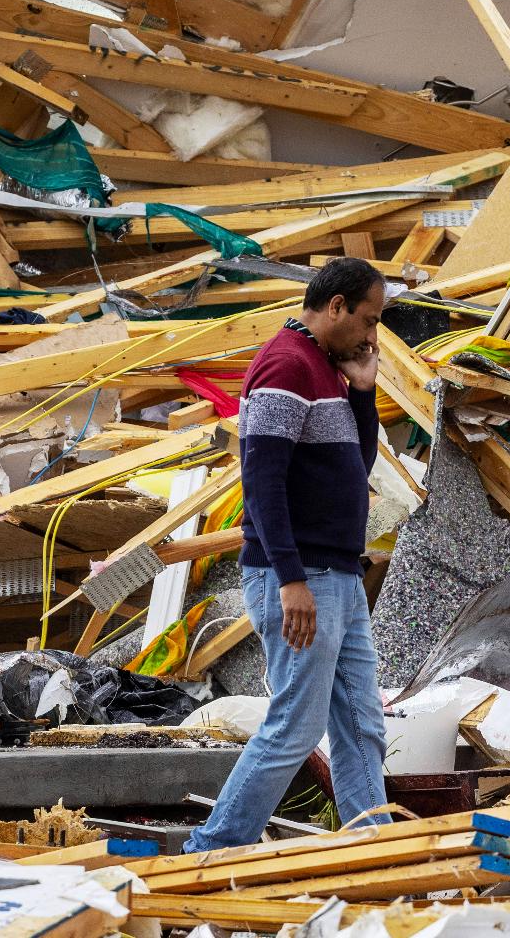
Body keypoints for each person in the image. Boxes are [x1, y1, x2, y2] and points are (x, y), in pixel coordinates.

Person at [186, 257, 390, 851]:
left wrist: (364, 393)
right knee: (295, 727)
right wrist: (290, 578)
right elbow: (263, 482)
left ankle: (373, 848)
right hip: (303, 577)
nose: (372, 335)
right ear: (335, 307)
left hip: (340, 577)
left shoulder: (326, 370)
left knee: (361, 726)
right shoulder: (285, 365)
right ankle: (212, 848)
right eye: (368, 320)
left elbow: (360, 465)